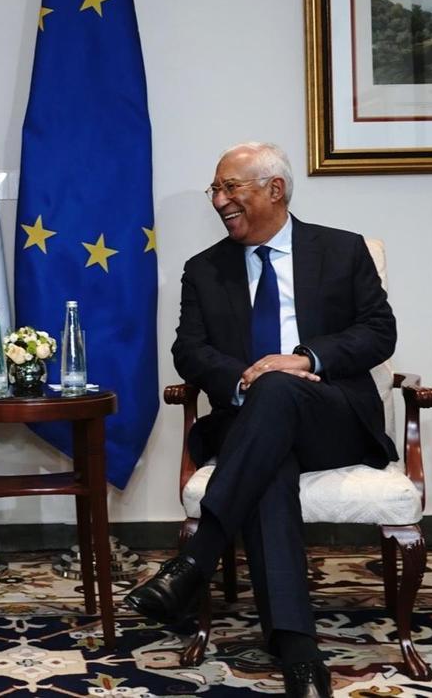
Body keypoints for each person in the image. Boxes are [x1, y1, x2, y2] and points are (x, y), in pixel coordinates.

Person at [125, 141, 396, 698]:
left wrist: (305, 359)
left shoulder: (342, 250)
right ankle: (298, 650)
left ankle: (195, 560)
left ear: (275, 189)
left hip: (333, 418)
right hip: (251, 419)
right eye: (215, 190)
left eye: (231, 187)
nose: (220, 200)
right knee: (270, 460)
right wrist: (248, 378)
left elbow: (378, 331)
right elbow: (189, 350)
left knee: (279, 396)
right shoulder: (204, 269)